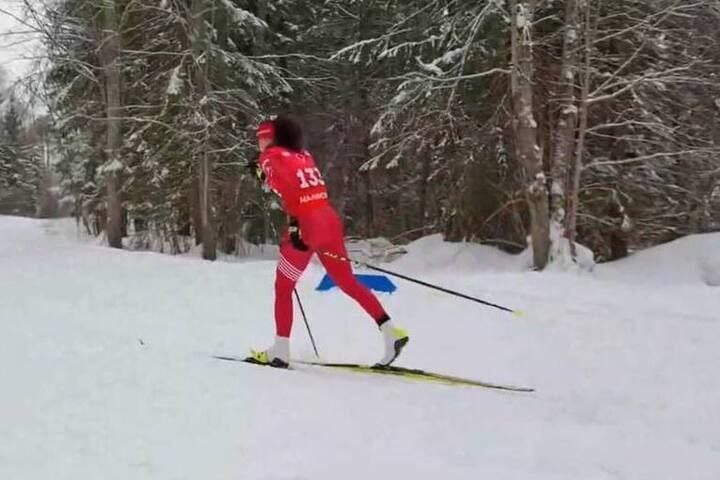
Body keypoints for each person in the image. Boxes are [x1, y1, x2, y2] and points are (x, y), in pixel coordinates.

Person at [245, 115, 409, 368]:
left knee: (283, 286)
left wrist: (293, 223)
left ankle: (280, 350)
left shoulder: (270, 156)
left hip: (306, 225)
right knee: (347, 282)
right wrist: (265, 177)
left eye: (262, 137)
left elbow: (287, 187)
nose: (260, 142)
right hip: (328, 220)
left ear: (272, 138)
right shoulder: (304, 155)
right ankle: (390, 332)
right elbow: (297, 182)